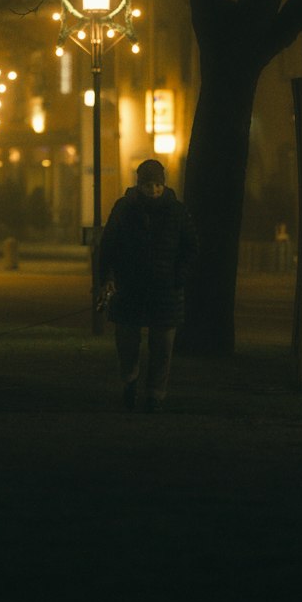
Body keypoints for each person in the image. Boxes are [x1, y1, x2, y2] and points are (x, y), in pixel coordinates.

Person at [97, 158, 197, 414]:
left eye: (156, 185)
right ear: (139, 184)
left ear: (163, 184)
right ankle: (130, 379)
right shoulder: (124, 209)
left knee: (162, 346)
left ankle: (155, 394)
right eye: (148, 185)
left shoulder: (176, 211)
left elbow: (190, 246)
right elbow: (108, 245)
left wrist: (179, 276)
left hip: (165, 289)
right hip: (130, 286)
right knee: (128, 341)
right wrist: (108, 276)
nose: (153, 190)